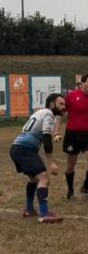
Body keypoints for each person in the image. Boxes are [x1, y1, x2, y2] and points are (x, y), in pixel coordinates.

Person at [10, 93, 66, 223]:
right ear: (52, 104)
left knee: (34, 179)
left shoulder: (41, 112)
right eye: (61, 104)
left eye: (64, 104)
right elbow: (47, 138)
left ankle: (29, 209)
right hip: (25, 149)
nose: (64, 107)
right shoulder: (49, 114)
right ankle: (44, 214)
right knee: (44, 178)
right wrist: (51, 162)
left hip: (17, 148)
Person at [56, 72, 88, 200]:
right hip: (73, 135)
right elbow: (60, 115)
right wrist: (56, 132)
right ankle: (70, 190)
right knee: (70, 166)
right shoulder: (71, 96)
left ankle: (85, 186)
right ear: (82, 83)